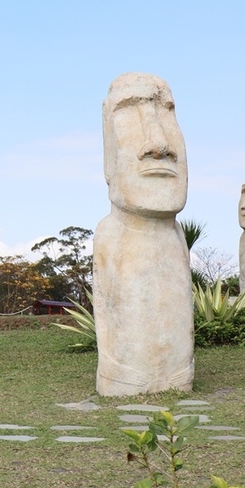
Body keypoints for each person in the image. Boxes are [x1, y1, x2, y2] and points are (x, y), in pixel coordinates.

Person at [93, 72, 194, 396]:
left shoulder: (176, 236)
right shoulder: (110, 235)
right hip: (124, 379)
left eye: (167, 112)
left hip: (178, 375)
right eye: (128, 112)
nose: (159, 143)